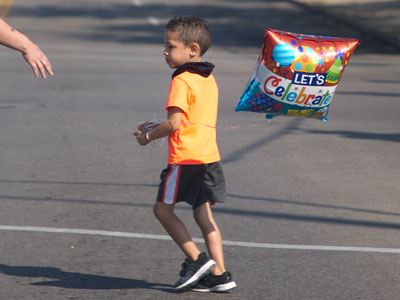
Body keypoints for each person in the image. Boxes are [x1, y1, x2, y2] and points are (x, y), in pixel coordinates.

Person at [134, 16, 236, 292]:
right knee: (203, 216)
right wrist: (157, 124)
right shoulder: (207, 77)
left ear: (192, 49)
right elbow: (191, 118)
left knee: (162, 210)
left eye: (170, 47)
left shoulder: (182, 79)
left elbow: (176, 124)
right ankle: (220, 274)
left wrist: (147, 136)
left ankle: (197, 260)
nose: (165, 52)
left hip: (185, 158)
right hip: (207, 156)